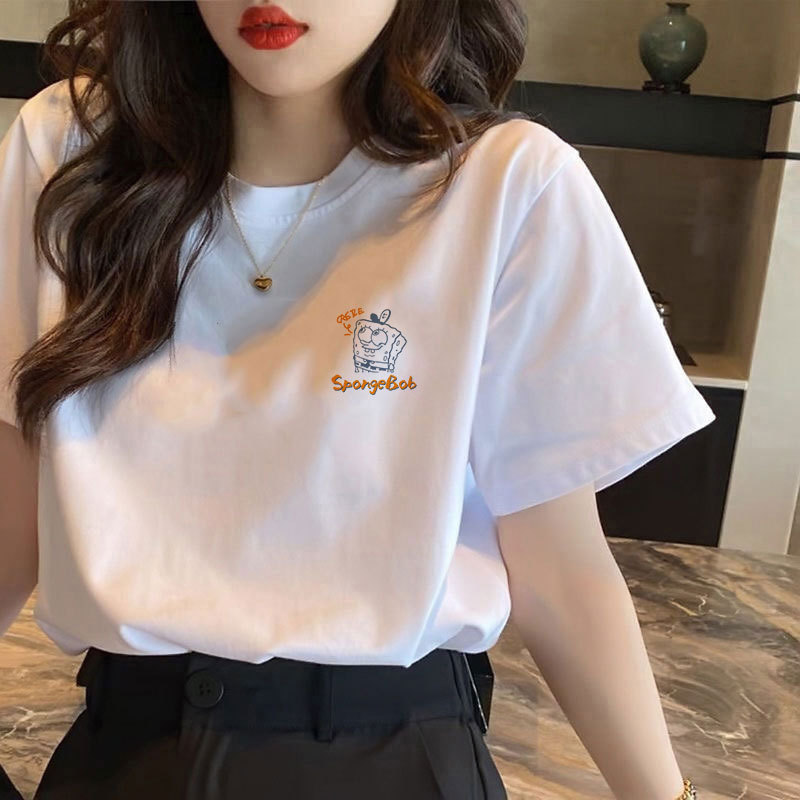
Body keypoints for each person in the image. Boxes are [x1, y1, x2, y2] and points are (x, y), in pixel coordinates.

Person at [0, 1, 710, 798]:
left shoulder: (507, 183)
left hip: (396, 759)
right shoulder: (72, 151)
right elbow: (11, 508)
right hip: (123, 758)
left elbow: (559, 567)